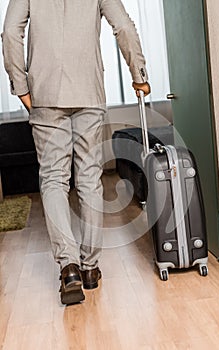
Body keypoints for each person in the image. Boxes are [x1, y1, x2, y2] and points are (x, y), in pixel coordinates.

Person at [1, 0, 151, 305]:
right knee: (89, 178)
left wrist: (21, 86)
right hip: (89, 90)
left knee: (54, 179)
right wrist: (139, 75)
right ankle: (90, 267)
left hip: (44, 93)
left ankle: (68, 268)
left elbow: (9, 32)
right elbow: (122, 25)